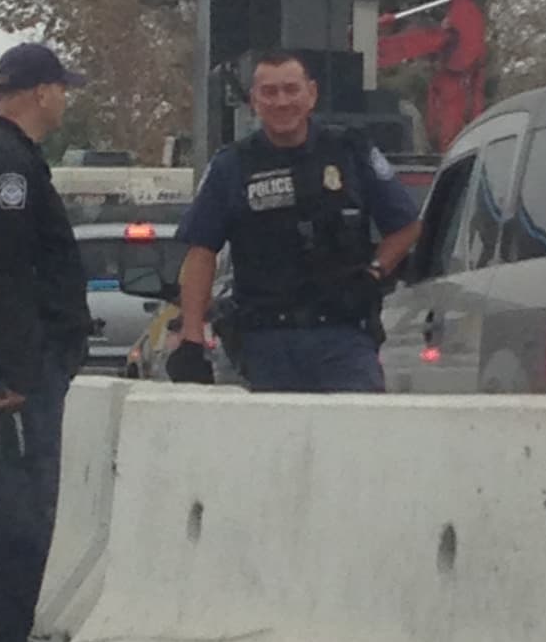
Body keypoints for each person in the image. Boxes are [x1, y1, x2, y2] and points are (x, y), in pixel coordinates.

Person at [0, 42, 92, 642]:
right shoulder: (6, 167)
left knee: (19, 497)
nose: (64, 100)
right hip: (18, 366)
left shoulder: (11, 159)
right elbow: (8, 274)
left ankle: (3, 637)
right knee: (18, 502)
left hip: (22, 358)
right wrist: (14, 373)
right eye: (61, 89)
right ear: (40, 92)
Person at [168, 50, 422, 393]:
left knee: (357, 424)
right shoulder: (231, 166)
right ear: (254, 101)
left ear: (311, 94)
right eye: (269, 92)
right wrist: (192, 337)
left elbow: (407, 225)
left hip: (343, 337)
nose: (281, 101)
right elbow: (201, 252)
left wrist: (375, 272)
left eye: (291, 89)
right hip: (264, 343)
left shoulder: (350, 151)